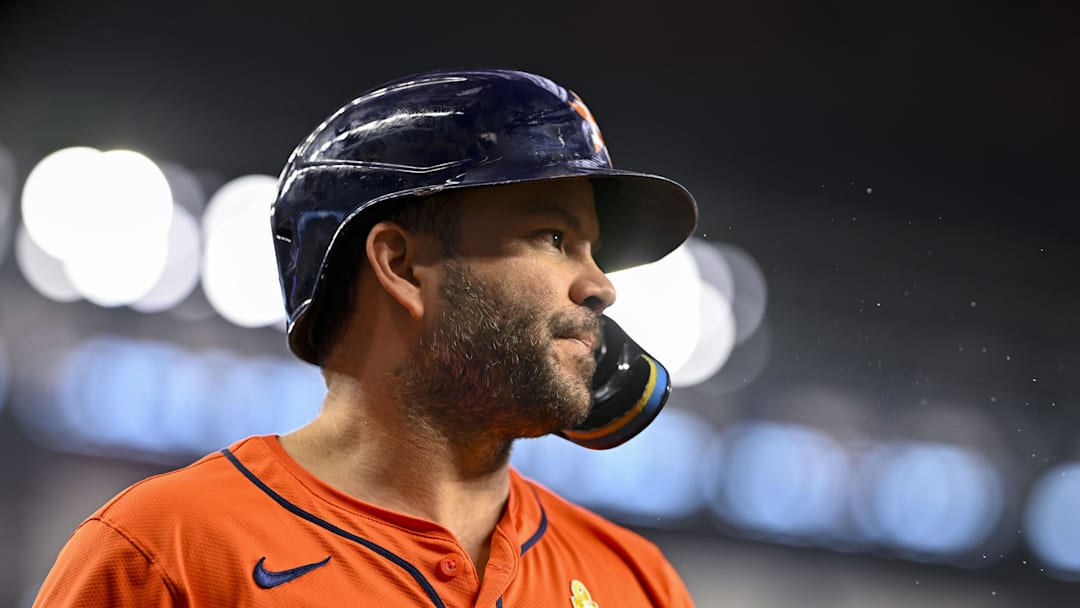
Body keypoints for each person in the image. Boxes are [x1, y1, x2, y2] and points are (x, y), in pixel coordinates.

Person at [33, 68, 699, 607]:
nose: (600, 287)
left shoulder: (636, 584)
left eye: (594, 251)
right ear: (403, 267)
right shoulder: (169, 553)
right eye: (554, 239)